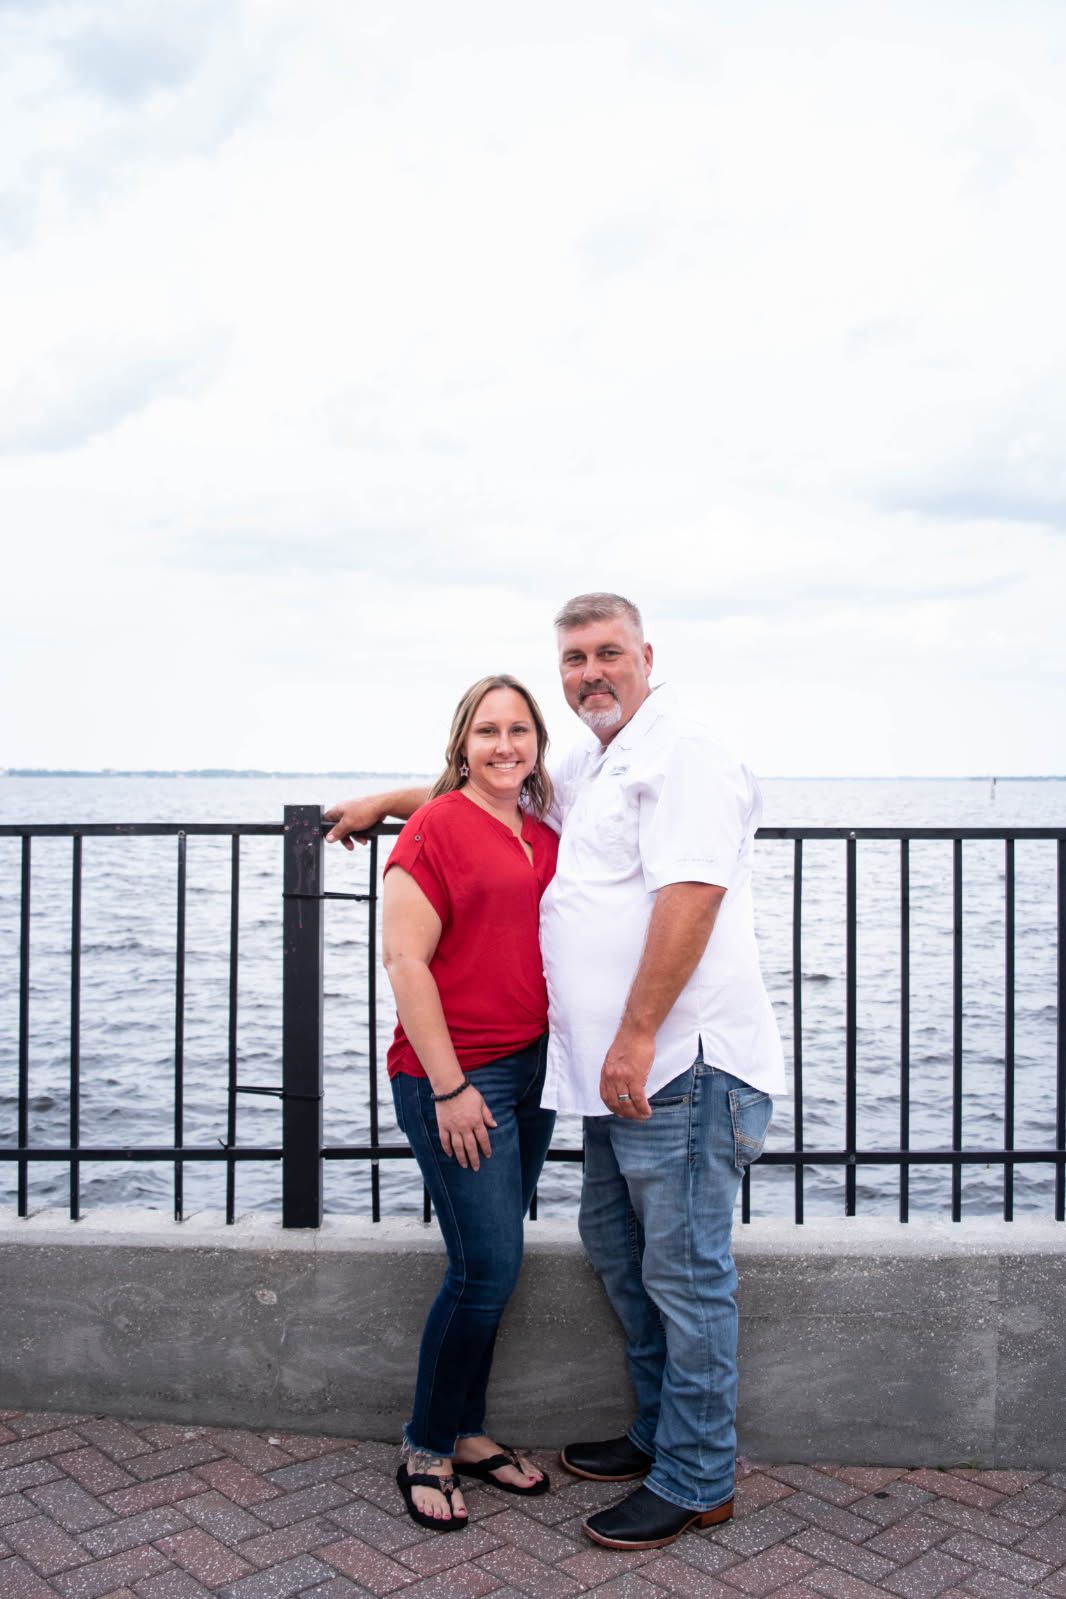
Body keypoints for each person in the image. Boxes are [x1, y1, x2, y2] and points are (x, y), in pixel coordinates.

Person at [325, 594, 784, 1552]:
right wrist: (387, 801)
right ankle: (660, 1435)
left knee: (687, 1274)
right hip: (615, 1078)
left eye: (608, 652)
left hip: (680, 1066)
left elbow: (692, 897)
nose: (590, 673)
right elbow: (492, 790)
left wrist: (635, 1033)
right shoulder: (592, 759)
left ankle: (698, 1478)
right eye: (573, 659)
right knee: (621, 1249)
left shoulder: (684, 748)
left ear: (647, 653)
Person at [377, 674, 558, 1533]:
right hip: (458, 1075)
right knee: (483, 1266)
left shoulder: (543, 828)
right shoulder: (434, 828)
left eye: (519, 729)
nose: (504, 744)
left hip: (533, 1072)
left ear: (536, 744)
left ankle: (470, 1429)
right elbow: (406, 963)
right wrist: (449, 1087)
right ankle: (426, 1443)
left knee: (498, 1261)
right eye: (488, 730)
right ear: (462, 743)